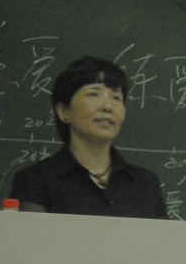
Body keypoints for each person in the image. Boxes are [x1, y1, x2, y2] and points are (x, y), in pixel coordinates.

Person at [10, 56, 168, 219]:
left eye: (116, 97)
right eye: (93, 94)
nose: (107, 106)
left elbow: (162, 236)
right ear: (64, 111)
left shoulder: (146, 183)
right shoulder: (36, 180)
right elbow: (30, 235)